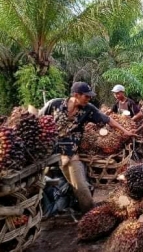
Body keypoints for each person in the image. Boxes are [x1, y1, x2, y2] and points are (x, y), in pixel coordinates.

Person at [39, 82, 136, 213]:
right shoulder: (54, 104)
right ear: (76, 95)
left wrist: (125, 131)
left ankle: (90, 214)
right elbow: (38, 121)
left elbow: (108, 120)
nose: (89, 99)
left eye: (90, 97)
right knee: (40, 185)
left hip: (69, 154)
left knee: (81, 187)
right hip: (47, 152)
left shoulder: (88, 109)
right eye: (86, 96)